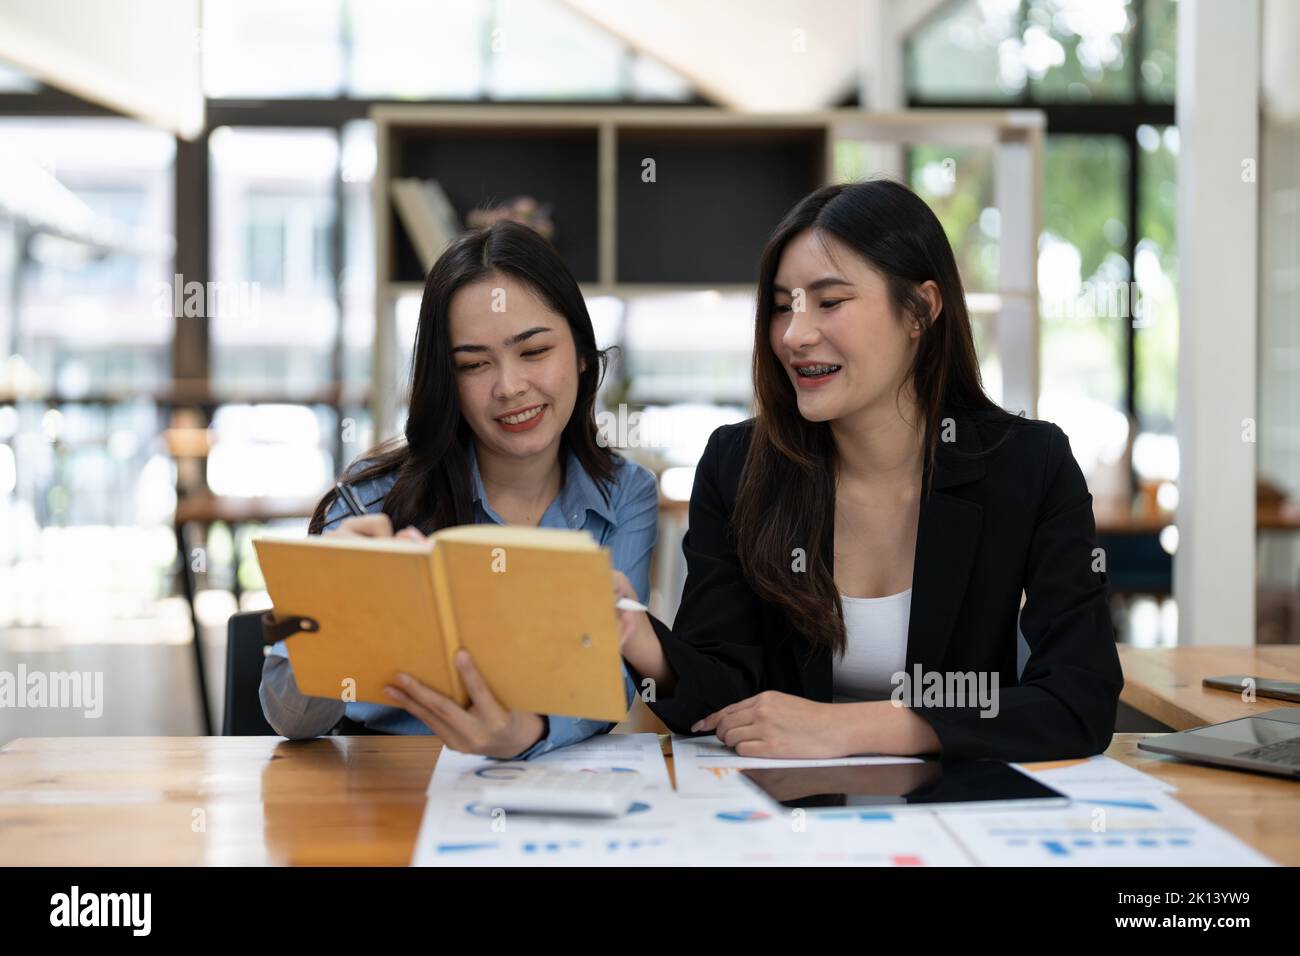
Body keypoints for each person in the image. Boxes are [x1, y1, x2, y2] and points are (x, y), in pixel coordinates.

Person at [614, 180, 1123, 763]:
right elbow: (719, 697)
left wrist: (850, 730)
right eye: (783, 306)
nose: (794, 335)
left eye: (830, 302)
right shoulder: (738, 466)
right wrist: (640, 638)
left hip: (959, 818)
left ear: (921, 311)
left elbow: (1079, 700)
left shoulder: (1028, 465)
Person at [260, 221, 658, 759]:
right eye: (473, 364)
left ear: (583, 355)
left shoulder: (627, 495)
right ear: (447, 381)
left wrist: (532, 730)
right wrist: (338, 606)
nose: (509, 386)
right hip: (386, 785)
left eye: (535, 351)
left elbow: (615, 675)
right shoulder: (371, 502)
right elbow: (290, 718)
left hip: (545, 782)